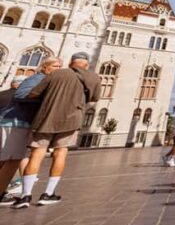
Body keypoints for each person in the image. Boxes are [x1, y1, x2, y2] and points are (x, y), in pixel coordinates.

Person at [12, 52, 100, 209]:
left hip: (46, 118)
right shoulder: (93, 77)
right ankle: (48, 193)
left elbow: (33, 93)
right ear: (86, 65)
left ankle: (25, 195)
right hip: (71, 119)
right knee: (60, 153)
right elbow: (94, 98)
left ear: (70, 62)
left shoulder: (56, 73)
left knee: (36, 154)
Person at [0, 57, 62, 206]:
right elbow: (21, 95)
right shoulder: (37, 78)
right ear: (45, 67)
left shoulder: (44, 80)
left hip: (22, 123)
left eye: (60, 66)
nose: (58, 69)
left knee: (14, 160)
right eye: (55, 66)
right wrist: (45, 99)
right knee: (11, 160)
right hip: (15, 122)